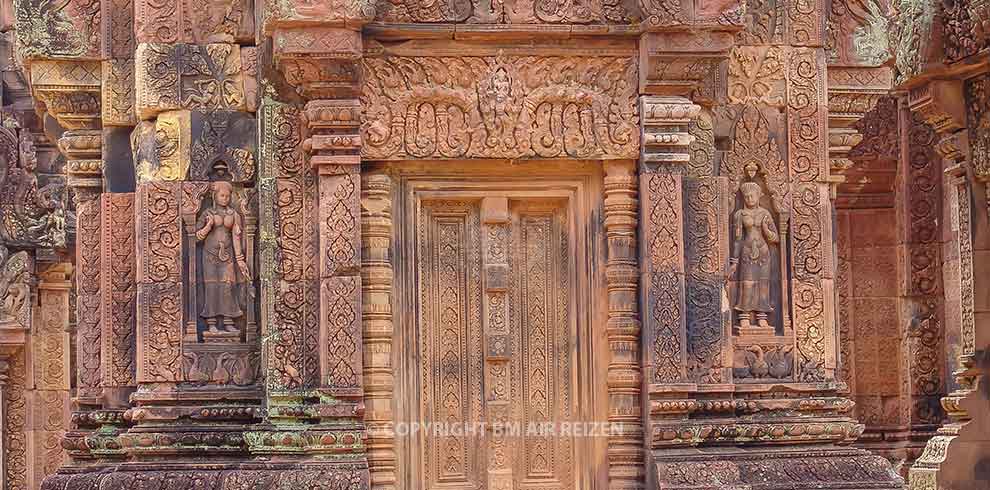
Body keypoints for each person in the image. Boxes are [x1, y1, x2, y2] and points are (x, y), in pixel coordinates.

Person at [195, 181, 249, 334]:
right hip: (210, 256)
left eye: (228, 196)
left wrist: (240, 260)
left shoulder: (234, 215)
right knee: (212, 287)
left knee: (228, 286)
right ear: (215, 196)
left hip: (228, 256)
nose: (225, 198)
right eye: (222, 195)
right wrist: (208, 226)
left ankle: (228, 321)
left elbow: (236, 239)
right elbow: (196, 237)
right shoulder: (207, 214)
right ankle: (211, 321)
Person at [728, 181, 779, 330]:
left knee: (763, 284)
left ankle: (762, 315)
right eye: (747, 196)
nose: (749, 199)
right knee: (747, 283)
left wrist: (765, 228)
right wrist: (734, 262)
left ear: (758, 196)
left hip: (763, 252)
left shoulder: (765, 213)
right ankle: (744, 315)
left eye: (752, 196)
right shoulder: (739, 215)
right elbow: (737, 240)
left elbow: (775, 238)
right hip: (747, 252)